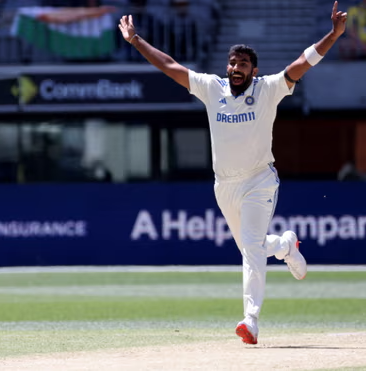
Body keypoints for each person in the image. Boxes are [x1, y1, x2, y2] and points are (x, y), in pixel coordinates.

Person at [118, 1, 347, 345]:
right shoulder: (213, 88)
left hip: (259, 180)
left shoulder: (269, 88)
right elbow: (170, 66)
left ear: (254, 70)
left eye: (242, 64)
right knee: (253, 248)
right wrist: (137, 41)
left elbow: (302, 63)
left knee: (252, 251)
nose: (235, 68)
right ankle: (285, 245)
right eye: (232, 63)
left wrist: (332, 35)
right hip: (224, 186)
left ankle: (250, 320)